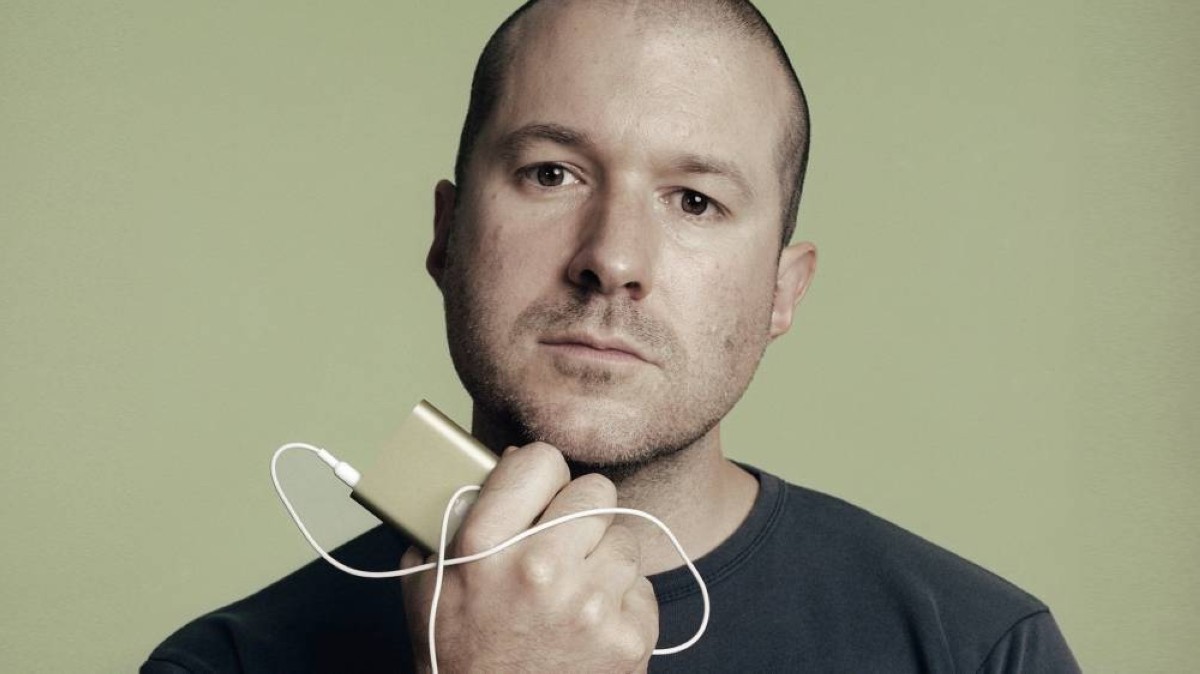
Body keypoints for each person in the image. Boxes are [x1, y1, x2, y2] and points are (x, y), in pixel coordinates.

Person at [143, 0, 1081, 671]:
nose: (613, 258)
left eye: (695, 200)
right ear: (446, 235)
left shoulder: (978, 650)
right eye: (551, 174)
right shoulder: (225, 663)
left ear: (781, 292)